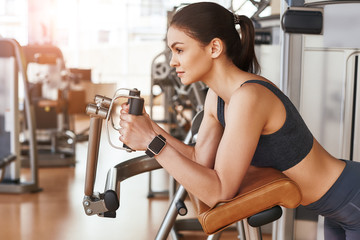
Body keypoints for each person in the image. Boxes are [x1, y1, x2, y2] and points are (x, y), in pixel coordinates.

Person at [118, 2, 360, 239]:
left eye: (179, 50)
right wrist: (151, 128)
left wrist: (152, 142)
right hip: (334, 210)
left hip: (353, 200)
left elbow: (219, 190)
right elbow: (199, 160)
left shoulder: (249, 97)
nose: (172, 61)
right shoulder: (217, 96)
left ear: (214, 48)